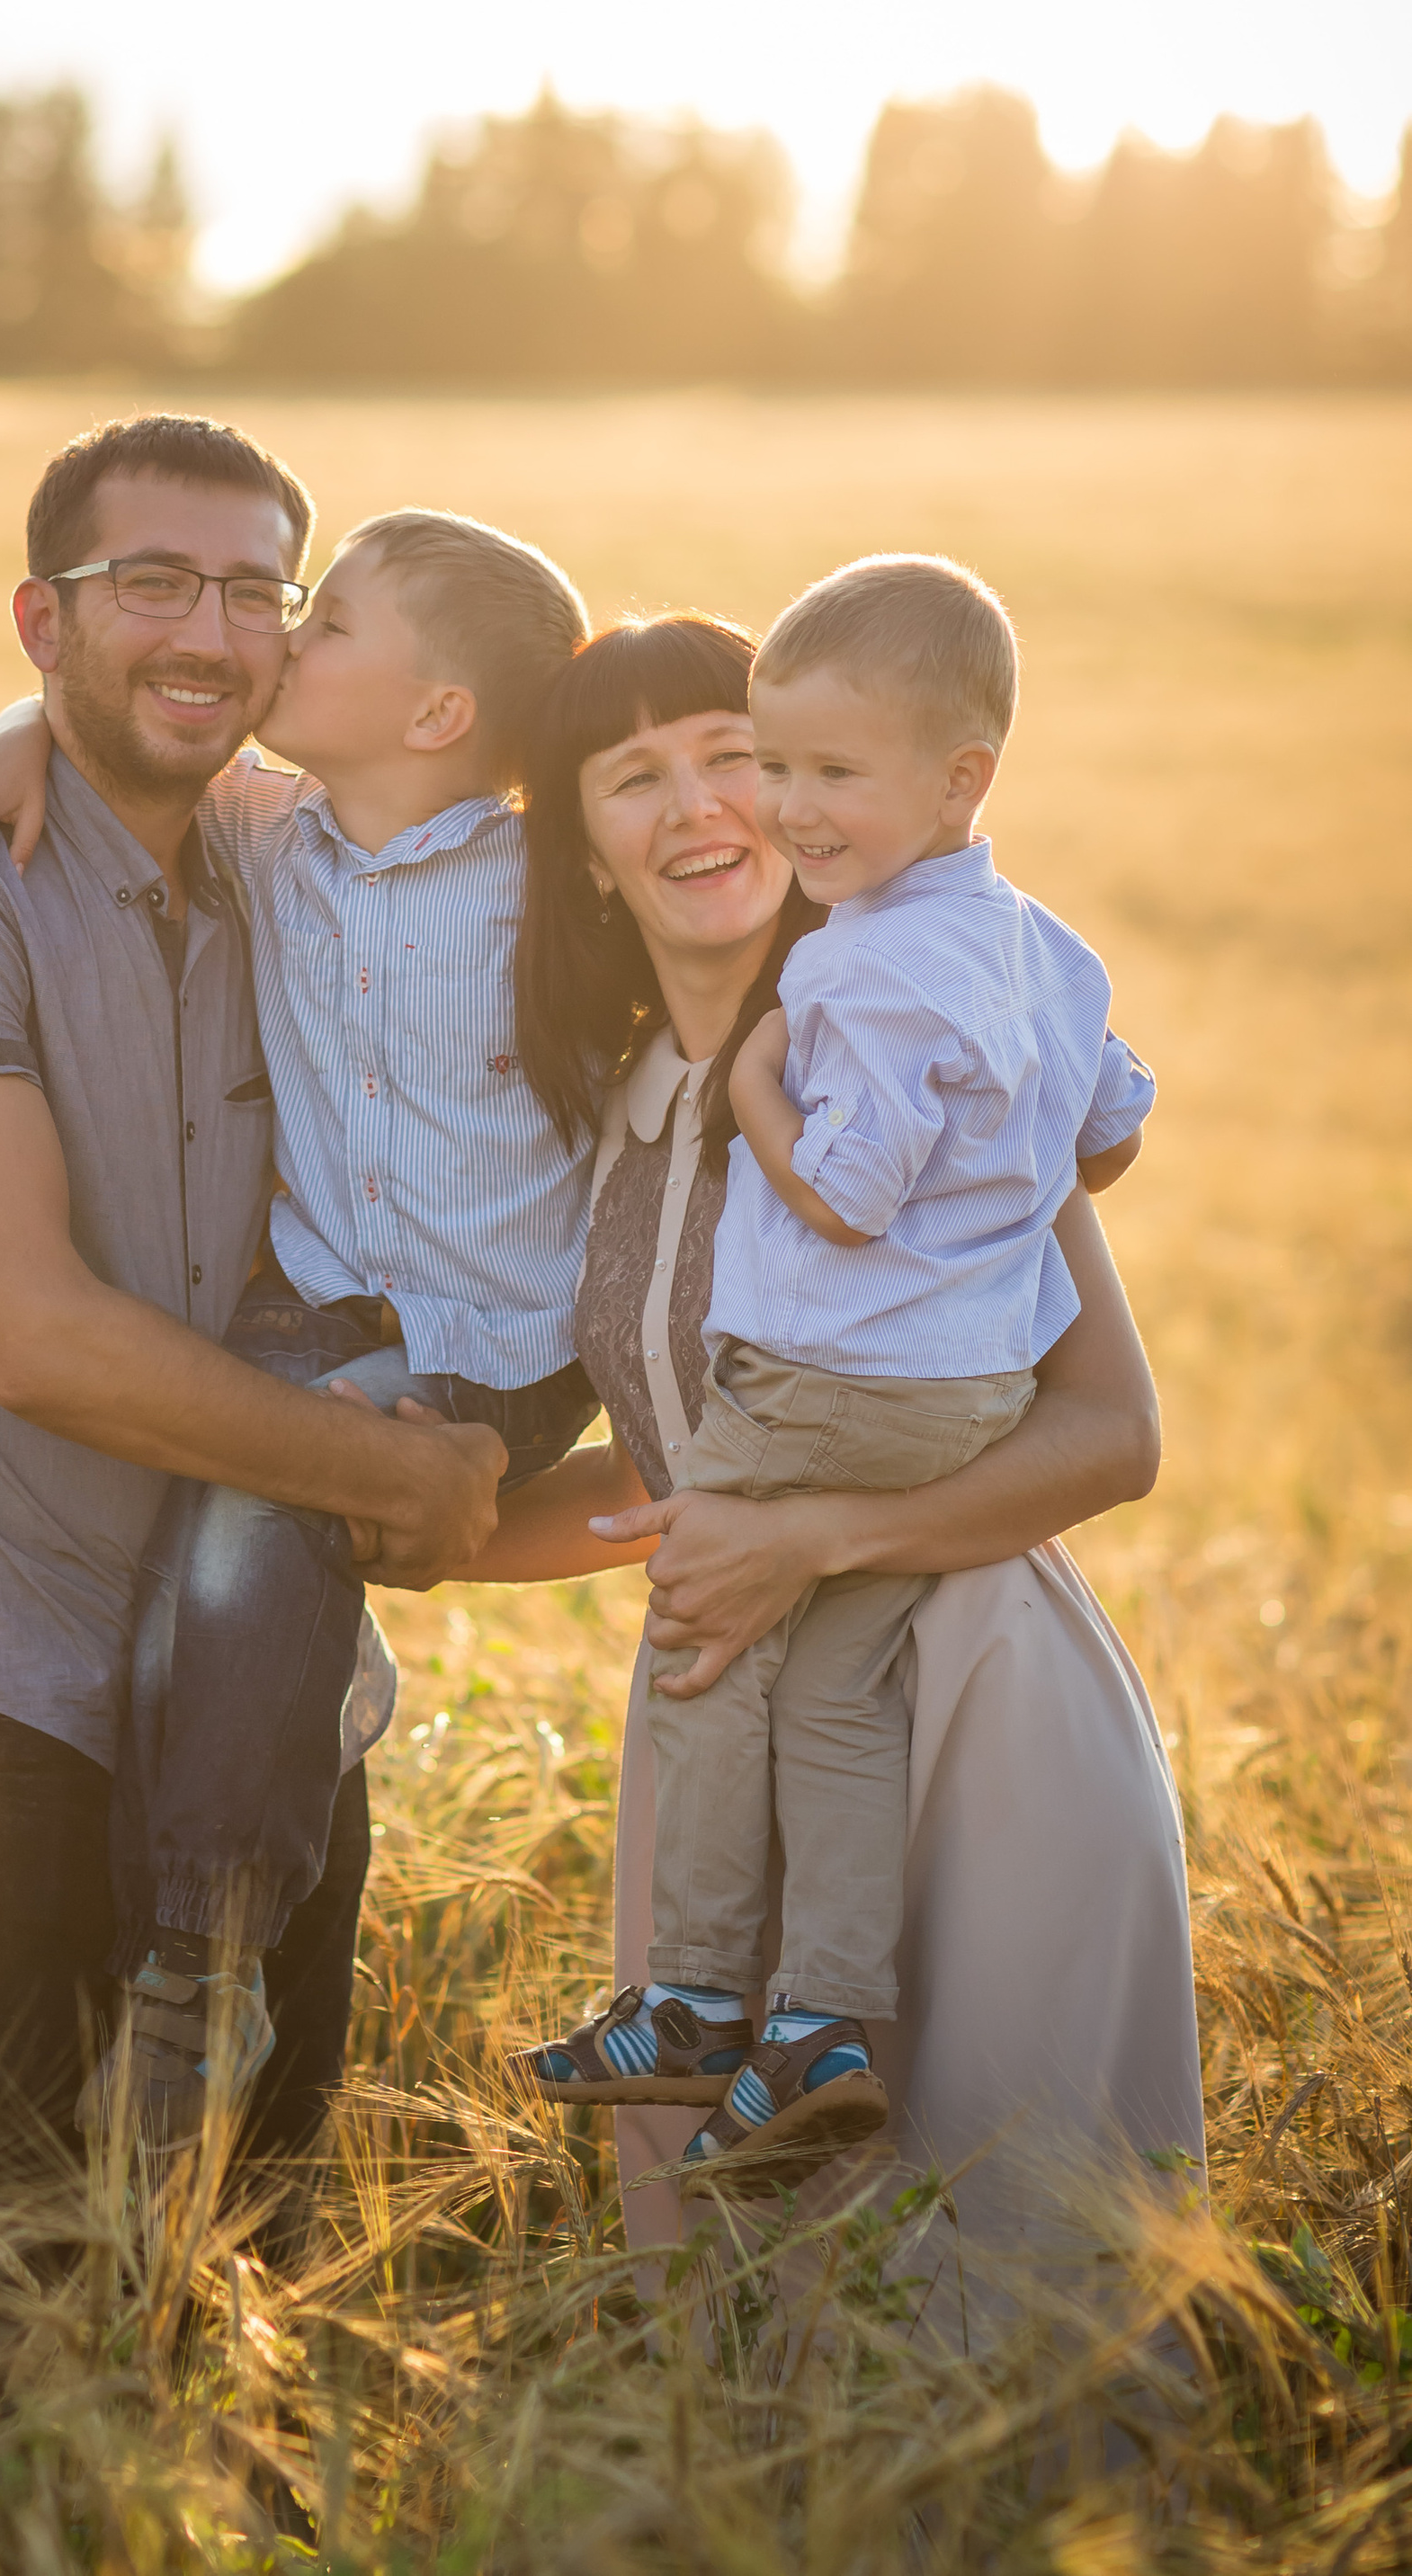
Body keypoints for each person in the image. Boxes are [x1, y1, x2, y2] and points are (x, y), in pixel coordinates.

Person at [0, 414, 503, 2190]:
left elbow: (572, 779)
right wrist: (382, 1477)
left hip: (265, 1702)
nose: (210, 628)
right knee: (0, 2319)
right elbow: (29, 1333)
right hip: (10, 1714)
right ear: (40, 620)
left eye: (258, 588)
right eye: (150, 584)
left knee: (252, 2284)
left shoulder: (304, 872)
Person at [487, 611, 1202, 2255]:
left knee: (995, 2273)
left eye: (734, 755)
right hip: (726, 1702)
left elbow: (1111, 1435)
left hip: (962, 1686)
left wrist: (815, 1540)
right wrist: (416, 1536)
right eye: (634, 778)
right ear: (585, 855)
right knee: (742, 2319)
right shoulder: (619, 1103)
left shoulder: (917, 1058)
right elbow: (672, 1470)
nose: (705, 805)